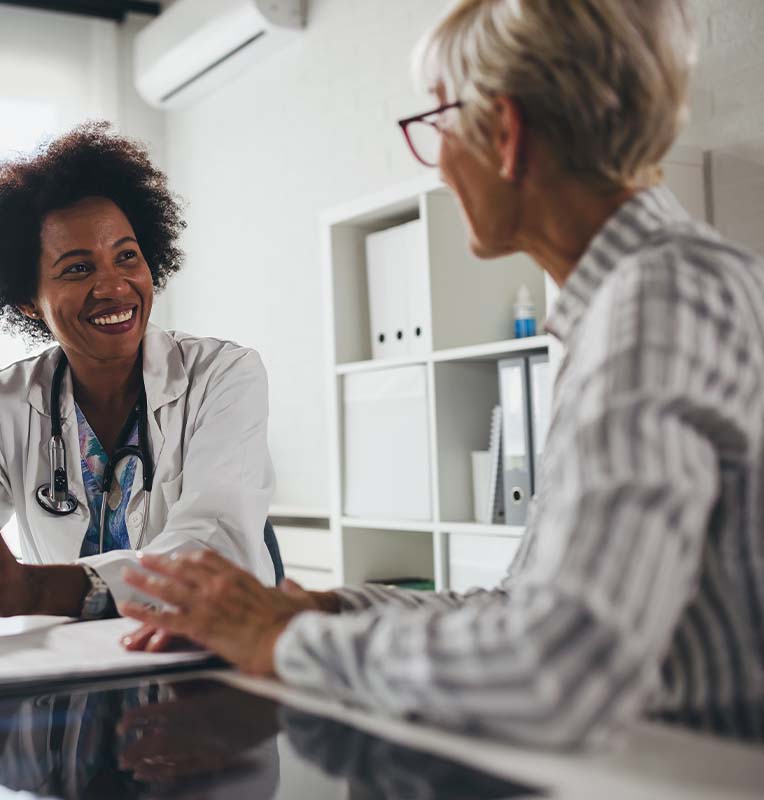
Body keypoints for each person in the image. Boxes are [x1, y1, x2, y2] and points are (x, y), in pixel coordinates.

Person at [121, 0, 764, 747]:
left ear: (506, 133)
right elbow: (527, 610)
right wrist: (325, 613)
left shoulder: (658, 296)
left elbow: (556, 665)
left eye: (438, 123)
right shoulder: (642, 296)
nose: (439, 159)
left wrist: (282, 642)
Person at [0, 122, 275, 634]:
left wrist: (33, 588)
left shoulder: (223, 375)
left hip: (211, 657)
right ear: (28, 301)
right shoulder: (4, 399)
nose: (114, 286)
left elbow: (214, 543)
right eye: (78, 269)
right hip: (74, 678)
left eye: (127, 256)